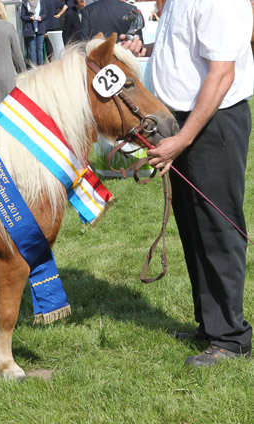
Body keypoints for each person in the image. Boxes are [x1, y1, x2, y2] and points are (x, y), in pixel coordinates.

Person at [126, 0, 253, 367]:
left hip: (213, 123)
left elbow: (222, 74)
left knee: (217, 228)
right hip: (186, 118)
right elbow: (184, 53)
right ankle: (210, 324)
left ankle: (231, 338)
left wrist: (181, 140)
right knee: (193, 226)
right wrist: (145, 50)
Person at [76, 0, 143, 41]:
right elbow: (138, 40)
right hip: (122, 58)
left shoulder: (88, 10)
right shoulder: (131, 9)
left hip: (97, 58)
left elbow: (84, 40)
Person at [21, 0, 47, 66]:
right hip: (30, 29)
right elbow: (22, 16)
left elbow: (45, 14)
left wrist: (41, 17)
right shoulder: (25, 4)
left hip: (40, 28)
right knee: (32, 49)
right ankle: (34, 66)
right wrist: (30, 18)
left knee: (39, 48)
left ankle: (41, 65)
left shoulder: (41, 2)